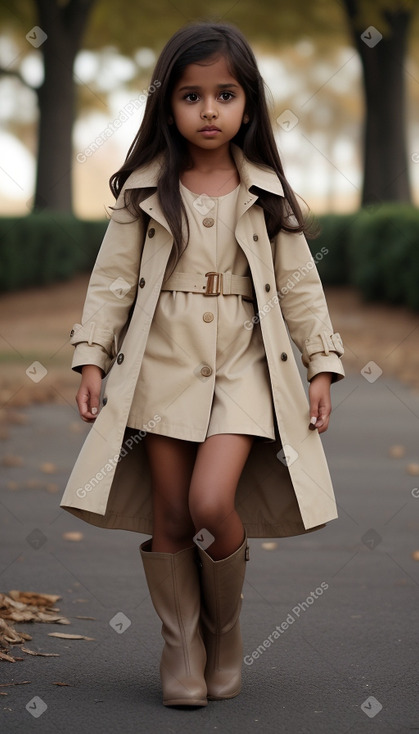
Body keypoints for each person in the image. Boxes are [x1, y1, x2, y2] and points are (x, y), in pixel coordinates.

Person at [60, 21, 344, 708]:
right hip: (161, 362)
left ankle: (225, 629)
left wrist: (321, 364)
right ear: (168, 104)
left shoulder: (268, 192)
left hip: (247, 362)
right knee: (171, 515)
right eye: (191, 96)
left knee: (212, 502)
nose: (208, 110)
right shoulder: (143, 190)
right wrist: (91, 357)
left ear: (248, 103)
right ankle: (179, 644)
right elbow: (111, 282)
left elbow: (301, 287)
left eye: (224, 94)